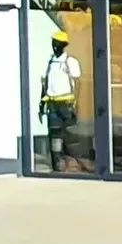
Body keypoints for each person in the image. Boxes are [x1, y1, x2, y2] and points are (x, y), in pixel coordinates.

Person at [39, 29, 84, 172]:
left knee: (69, 134)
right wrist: (42, 103)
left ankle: (75, 161)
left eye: (57, 43)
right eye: (54, 43)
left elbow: (77, 83)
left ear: (63, 45)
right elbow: (45, 84)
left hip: (66, 103)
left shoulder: (70, 62)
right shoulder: (50, 62)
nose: (54, 46)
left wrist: (75, 102)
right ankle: (57, 163)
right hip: (52, 103)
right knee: (55, 133)